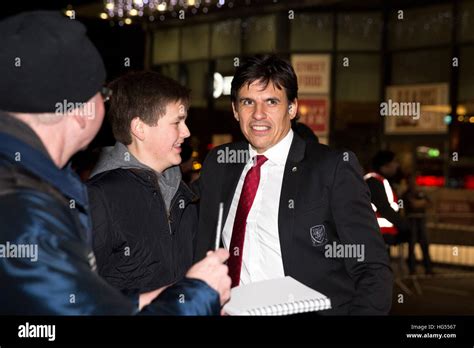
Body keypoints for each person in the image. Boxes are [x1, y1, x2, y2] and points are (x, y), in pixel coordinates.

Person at [0, 11, 230, 315]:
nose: (106, 103)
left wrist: (169, 294)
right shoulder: (25, 210)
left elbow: (89, 303)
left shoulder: (32, 186)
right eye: (102, 92)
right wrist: (201, 293)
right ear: (80, 109)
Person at [195, 54, 392, 315]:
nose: (258, 115)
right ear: (234, 109)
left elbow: (372, 270)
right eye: (247, 102)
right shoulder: (220, 164)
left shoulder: (331, 168)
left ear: (292, 108)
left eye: (271, 102)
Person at [87, 71, 199, 296]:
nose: (186, 132)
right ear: (139, 128)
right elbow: (78, 293)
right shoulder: (98, 197)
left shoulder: (183, 195)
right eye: (177, 122)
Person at [364, 151, 411, 247]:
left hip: (379, 234)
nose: (397, 165)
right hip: (378, 234)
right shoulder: (374, 182)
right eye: (394, 162)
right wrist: (403, 226)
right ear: (384, 165)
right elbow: (384, 208)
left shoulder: (378, 180)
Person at [402, 174, 434, 275]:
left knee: (425, 246)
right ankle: (412, 270)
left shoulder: (420, 193)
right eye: (411, 181)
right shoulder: (406, 194)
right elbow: (413, 205)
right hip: (411, 224)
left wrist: (419, 202)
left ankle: (428, 269)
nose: (413, 184)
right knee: (411, 247)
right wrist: (422, 202)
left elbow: (430, 203)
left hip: (421, 222)